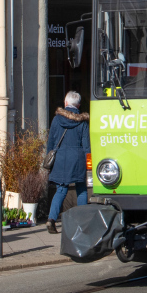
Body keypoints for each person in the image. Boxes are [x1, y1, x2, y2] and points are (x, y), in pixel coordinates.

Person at [44, 91, 90, 234]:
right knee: (81, 188)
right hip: (77, 158)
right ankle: (81, 221)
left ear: (65, 103)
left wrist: (48, 158)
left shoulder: (57, 120)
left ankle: (51, 219)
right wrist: (89, 163)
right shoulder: (82, 121)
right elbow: (86, 145)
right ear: (79, 105)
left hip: (60, 158)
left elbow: (50, 141)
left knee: (61, 189)